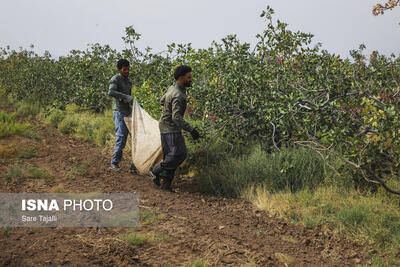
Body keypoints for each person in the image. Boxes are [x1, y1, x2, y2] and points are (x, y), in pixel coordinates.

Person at [149, 65, 200, 191]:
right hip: (170, 128)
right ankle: (155, 170)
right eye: (189, 77)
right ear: (181, 78)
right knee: (179, 154)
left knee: (170, 156)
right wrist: (191, 129)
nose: (191, 79)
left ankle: (165, 185)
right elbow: (176, 117)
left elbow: (162, 101)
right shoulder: (178, 94)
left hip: (165, 126)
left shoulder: (172, 88)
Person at [108, 59, 136, 172]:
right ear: (119, 70)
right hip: (119, 112)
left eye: (128, 69)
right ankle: (114, 162)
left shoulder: (128, 81)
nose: (127, 71)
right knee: (121, 137)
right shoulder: (115, 79)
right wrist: (125, 97)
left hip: (128, 111)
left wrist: (131, 101)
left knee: (135, 137)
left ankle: (134, 165)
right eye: (125, 69)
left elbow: (128, 97)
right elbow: (111, 92)